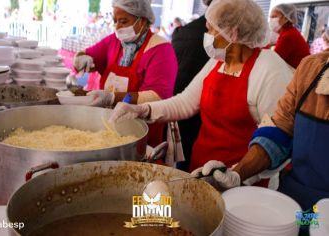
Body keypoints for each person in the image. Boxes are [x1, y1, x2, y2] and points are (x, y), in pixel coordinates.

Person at [109, 0, 293, 172]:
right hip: (202, 168)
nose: (207, 36)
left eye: (211, 30)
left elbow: (276, 140)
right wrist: (143, 110)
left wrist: (236, 174)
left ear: (233, 32)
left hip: (245, 180)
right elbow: (186, 102)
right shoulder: (218, 61)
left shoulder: (269, 68)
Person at [191, 49, 329, 212]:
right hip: (296, 207)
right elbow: (278, 133)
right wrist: (236, 174)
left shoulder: (270, 66)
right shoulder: (311, 68)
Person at [73, 0, 178, 147]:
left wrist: (111, 98)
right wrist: (81, 59)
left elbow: (156, 97)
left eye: (123, 21)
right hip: (107, 129)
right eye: (115, 21)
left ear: (141, 21)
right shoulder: (114, 42)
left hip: (141, 135)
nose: (117, 27)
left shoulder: (161, 50)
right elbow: (86, 54)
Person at [171, 0, 213, 171]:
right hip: (197, 125)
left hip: (190, 124)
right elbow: (185, 101)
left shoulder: (184, 32)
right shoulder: (216, 58)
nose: (210, 33)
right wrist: (148, 108)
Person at [269, 4, 310, 69]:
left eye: (274, 17)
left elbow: (273, 60)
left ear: (285, 18)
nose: (271, 20)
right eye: (270, 17)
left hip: (298, 73)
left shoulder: (288, 36)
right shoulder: (289, 32)